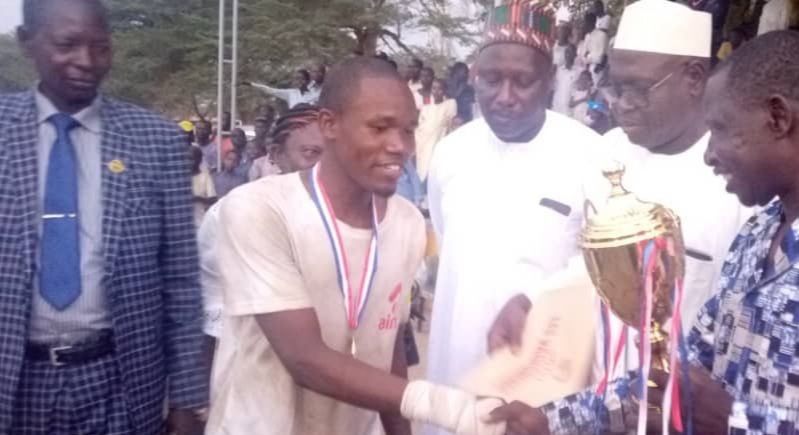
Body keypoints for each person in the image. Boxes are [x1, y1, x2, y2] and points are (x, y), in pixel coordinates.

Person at [486, 1, 751, 432]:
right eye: (615, 88)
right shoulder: (608, 152)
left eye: (638, 89)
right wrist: (534, 299)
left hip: (686, 415)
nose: (621, 105)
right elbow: (593, 266)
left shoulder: (740, 181)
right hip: (598, 406)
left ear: (694, 78)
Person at [205, 56, 507, 435]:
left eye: (409, 130)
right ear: (329, 124)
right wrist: (458, 410)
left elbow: (390, 344)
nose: (399, 146)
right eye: (379, 128)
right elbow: (303, 359)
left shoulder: (408, 223)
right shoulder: (259, 210)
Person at [0, 0, 207, 433]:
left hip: (119, 380)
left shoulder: (156, 140)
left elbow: (181, 281)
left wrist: (187, 400)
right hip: (15, 380)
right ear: (27, 43)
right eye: (67, 44)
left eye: (101, 47)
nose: (86, 61)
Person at [423, 2, 603, 432]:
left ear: (549, 81)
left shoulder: (591, 156)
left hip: (543, 380)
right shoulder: (450, 153)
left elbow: (607, 267)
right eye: (491, 79)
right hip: (456, 369)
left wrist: (535, 296)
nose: (504, 97)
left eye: (522, 81)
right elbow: (450, 246)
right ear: (474, 77)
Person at [415, 78, 457, 182]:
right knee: (422, 169)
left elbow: (450, 123)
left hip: (438, 141)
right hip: (422, 143)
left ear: (445, 90)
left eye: (440, 89)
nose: (437, 91)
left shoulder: (450, 104)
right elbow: (420, 128)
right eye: (434, 88)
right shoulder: (426, 108)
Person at [246, 69, 318, 108]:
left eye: (299, 78)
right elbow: (270, 90)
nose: (296, 81)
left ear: (306, 80)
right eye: (295, 79)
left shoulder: (314, 94)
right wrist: (252, 84)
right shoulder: (290, 93)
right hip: (292, 123)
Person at [192, 146, 217, 228]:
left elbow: (213, 199)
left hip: (200, 222)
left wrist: (198, 198)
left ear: (199, 160)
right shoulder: (180, 177)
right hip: (183, 222)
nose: (189, 161)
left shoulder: (205, 176)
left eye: (192, 158)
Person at [552, 44, 579, 115]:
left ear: (575, 55)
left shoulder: (579, 71)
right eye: (566, 52)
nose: (568, 55)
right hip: (556, 107)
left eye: (571, 52)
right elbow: (554, 87)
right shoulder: (559, 70)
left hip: (569, 110)